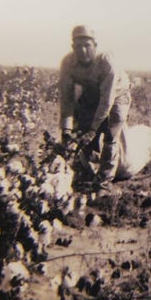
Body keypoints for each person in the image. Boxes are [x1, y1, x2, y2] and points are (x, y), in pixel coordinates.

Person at [59, 25, 131, 195]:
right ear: (72, 48)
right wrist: (66, 129)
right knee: (80, 127)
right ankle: (86, 170)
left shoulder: (106, 62)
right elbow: (66, 99)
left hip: (118, 94)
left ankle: (104, 183)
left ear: (95, 45)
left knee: (111, 133)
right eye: (78, 46)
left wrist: (93, 129)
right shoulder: (68, 63)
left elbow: (107, 101)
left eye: (87, 45)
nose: (82, 50)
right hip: (91, 93)